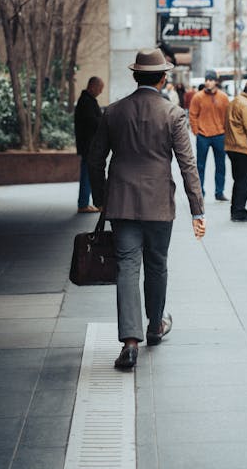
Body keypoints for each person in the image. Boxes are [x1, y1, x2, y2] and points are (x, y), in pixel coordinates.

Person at [88, 48, 205, 370]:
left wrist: (102, 198)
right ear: (163, 78)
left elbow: (95, 159)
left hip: (122, 202)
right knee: (157, 265)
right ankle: (155, 325)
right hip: (158, 204)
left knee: (126, 267)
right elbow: (187, 164)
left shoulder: (113, 112)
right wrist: (197, 208)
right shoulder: (173, 113)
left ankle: (129, 342)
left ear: (135, 76)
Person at [189, 70, 229, 200]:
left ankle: (219, 192)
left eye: (210, 80)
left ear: (216, 81)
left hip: (219, 135)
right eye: (206, 80)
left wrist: (225, 132)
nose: (208, 82)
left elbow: (227, 116)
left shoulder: (223, 97)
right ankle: (200, 191)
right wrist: (196, 131)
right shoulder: (198, 97)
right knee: (200, 165)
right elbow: (192, 115)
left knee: (221, 165)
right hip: (203, 135)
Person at [224, 80, 247, 222]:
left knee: (238, 180)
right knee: (244, 181)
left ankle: (236, 209)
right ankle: (239, 211)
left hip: (232, 146)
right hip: (244, 148)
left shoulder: (233, 102)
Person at [74, 76, 104, 213]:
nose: (100, 92)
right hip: (88, 145)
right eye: (99, 88)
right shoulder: (86, 101)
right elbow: (93, 122)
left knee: (88, 174)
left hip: (88, 145)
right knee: (87, 174)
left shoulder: (87, 100)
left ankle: (85, 202)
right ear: (92, 86)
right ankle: (83, 204)